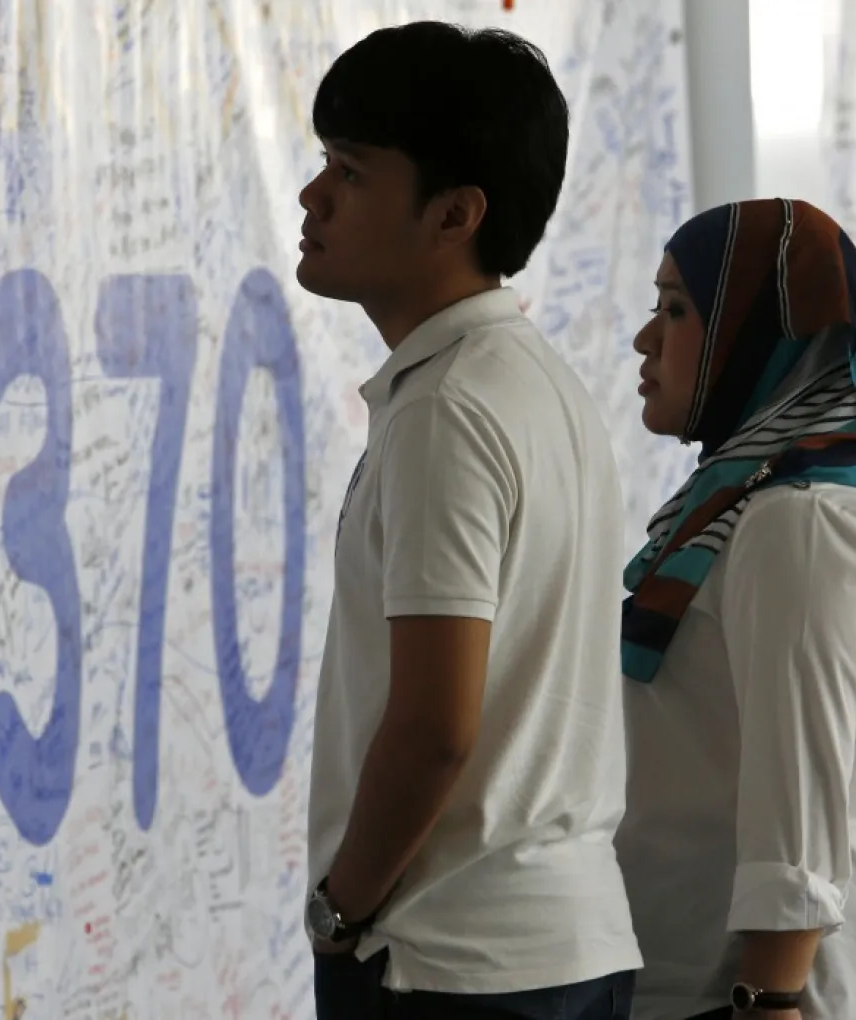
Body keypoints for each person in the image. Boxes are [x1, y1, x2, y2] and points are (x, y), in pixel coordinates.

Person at [297, 21, 642, 1020]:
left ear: (454, 215)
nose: (314, 196)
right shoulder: (534, 383)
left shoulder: (447, 408)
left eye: (352, 173)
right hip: (567, 949)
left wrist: (340, 911)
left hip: (453, 962)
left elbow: (436, 727)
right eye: (325, 162)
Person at [617, 197, 856, 1020]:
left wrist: (766, 996)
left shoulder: (804, 516)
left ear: (761, 336)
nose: (646, 339)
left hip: (756, 984)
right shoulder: (778, 495)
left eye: (677, 309)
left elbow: (798, 788)